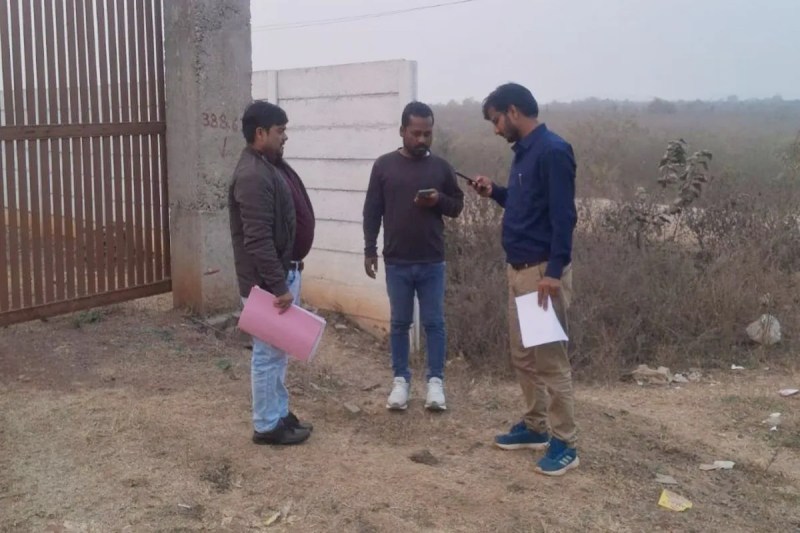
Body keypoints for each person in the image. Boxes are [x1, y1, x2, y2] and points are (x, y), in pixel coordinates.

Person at [468, 83, 579, 476]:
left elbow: (564, 216)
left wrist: (554, 272)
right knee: (524, 358)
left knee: (549, 362)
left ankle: (565, 443)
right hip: (518, 272)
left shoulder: (552, 151)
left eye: (497, 120)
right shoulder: (525, 154)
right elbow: (525, 204)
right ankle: (535, 426)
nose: (496, 129)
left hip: (540, 275)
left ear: (513, 111)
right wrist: (494, 192)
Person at [363, 101, 464, 411]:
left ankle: (435, 383)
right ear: (402, 131)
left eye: (427, 134)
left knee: (434, 323)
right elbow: (372, 211)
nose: (422, 139)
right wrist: (370, 249)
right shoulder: (384, 166)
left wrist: (438, 200)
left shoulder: (441, 168)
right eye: (416, 133)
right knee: (399, 323)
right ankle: (401, 382)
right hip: (397, 261)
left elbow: (456, 206)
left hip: (432, 260)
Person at [229, 100, 316, 445]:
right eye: (280, 131)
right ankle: (266, 425)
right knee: (267, 355)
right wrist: (279, 286)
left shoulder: (268, 165)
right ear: (260, 133)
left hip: (279, 275)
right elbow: (258, 239)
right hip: (266, 283)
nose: (285, 137)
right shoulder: (252, 176)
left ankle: (278, 412)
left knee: (278, 352)